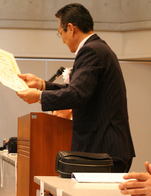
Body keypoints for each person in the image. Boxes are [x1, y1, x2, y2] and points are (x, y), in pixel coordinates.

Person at [16, 3, 135, 172]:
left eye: (61, 33)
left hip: (104, 149)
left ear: (71, 28)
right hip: (106, 148)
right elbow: (81, 88)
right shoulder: (97, 48)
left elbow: (78, 94)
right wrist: (42, 85)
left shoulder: (91, 51)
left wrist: (39, 96)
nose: (63, 40)